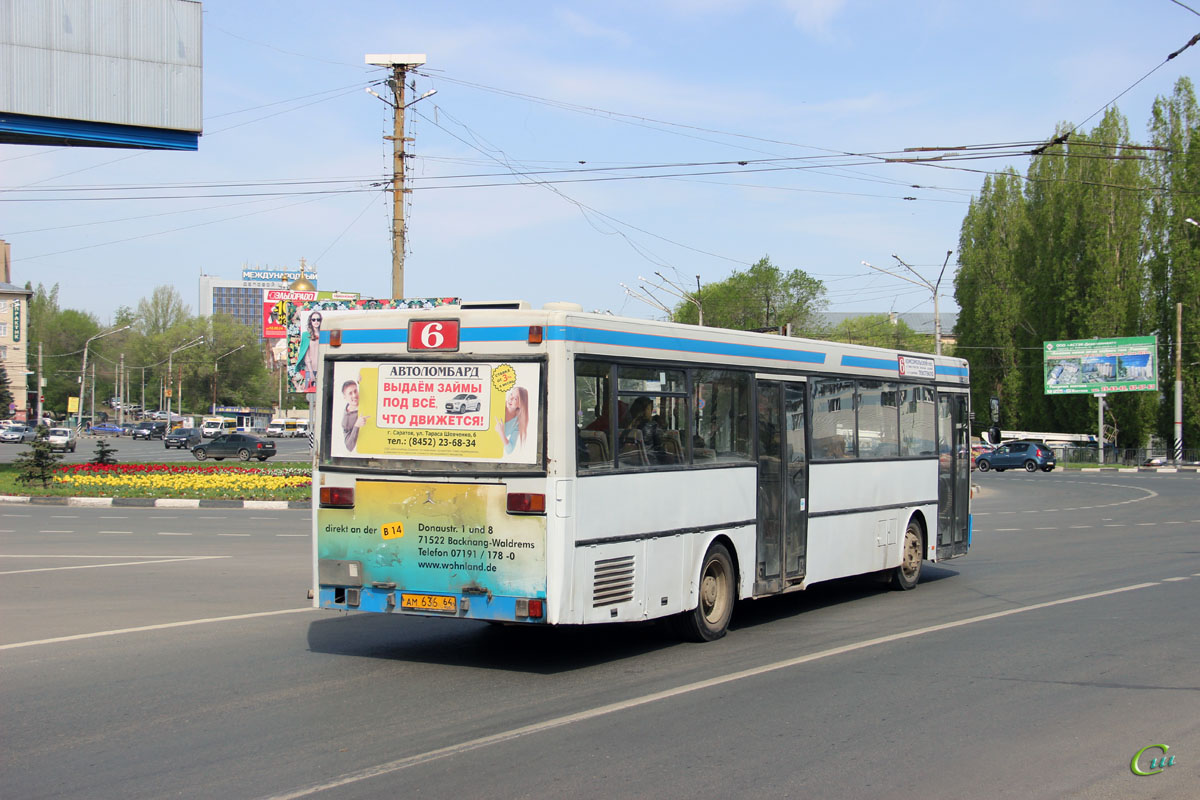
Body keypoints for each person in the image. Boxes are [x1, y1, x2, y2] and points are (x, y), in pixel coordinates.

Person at [621, 396, 669, 464]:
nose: (651, 411)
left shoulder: (629, 426)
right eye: (649, 408)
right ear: (643, 410)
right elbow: (660, 451)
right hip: (651, 464)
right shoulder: (652, 426)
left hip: (629, 463)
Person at [292, 311, 322, 392]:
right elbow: (306, 355)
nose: (316, 322)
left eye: (318, 320)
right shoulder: (306, 335)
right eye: (314, 320)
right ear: (310, 321)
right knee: (308, 390)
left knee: (322, 391)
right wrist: (311, 372)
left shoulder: (324, 334)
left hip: (322, 368)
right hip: (310, 369)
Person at [495, 386, 529, 456]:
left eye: (515, 398)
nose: (510, 398)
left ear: (520, 405)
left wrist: (501, 433)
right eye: (511, 394)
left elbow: (509, 450)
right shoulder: (497, 404)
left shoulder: (517, 423)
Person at [341, 379, 368, 451]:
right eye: (350, 393)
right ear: (345, 397)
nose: (354, 395)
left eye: (355, 391)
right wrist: (357, 425)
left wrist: (362, 381)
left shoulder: (363, 400)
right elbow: (349, 446)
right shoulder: (346, 421)